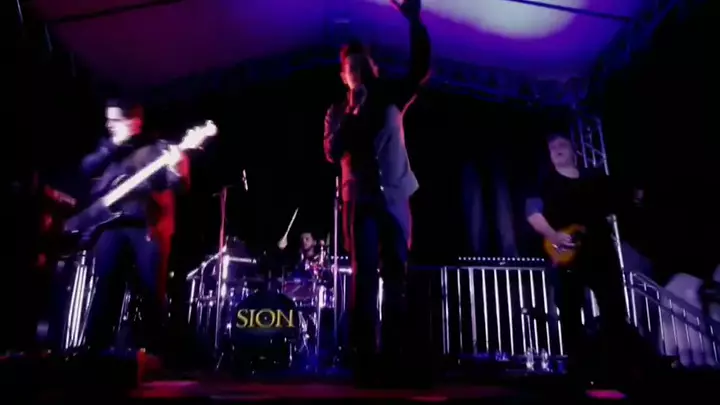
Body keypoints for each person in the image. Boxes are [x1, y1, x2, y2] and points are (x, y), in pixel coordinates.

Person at [323, 0, 431, 388]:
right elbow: (332, 152)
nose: (355, 71)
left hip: (395, 195)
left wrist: (414, 21)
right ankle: (365, 361)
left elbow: (420, 68)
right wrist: (351, 116)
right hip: (361, 201)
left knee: (396, 275)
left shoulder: (389, 96)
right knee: (365, 278)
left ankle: (396, 357)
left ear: (371, 68)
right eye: (349, 67)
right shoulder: (338, 112)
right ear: (343, 77)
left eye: (360, 64)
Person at [525, 133, 659, 387]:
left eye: (562, 144)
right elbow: (532, 213)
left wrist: (638, 195)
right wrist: (553, 235)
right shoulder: (544, 181)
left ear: (574, 150)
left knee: (613, 308)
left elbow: (622, 201)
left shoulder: (595, 178)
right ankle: (579, 369)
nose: (557, 149)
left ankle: (616, 368)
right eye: (552, 147)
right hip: (565, 253)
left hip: (600, 250)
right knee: (570, 311)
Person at [81, 99, 188, 357]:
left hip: (147, 227)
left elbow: (177, 185)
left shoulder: (158, 148)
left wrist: (175, 167)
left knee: (150, 291)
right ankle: (93, 351)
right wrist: (111, 147)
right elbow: (87, 167)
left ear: (134, 121)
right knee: (106, 286)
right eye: (108, 119)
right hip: (111, 225)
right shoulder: (109, 149)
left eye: (115, 120)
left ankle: (153, 355)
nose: (109, 125)